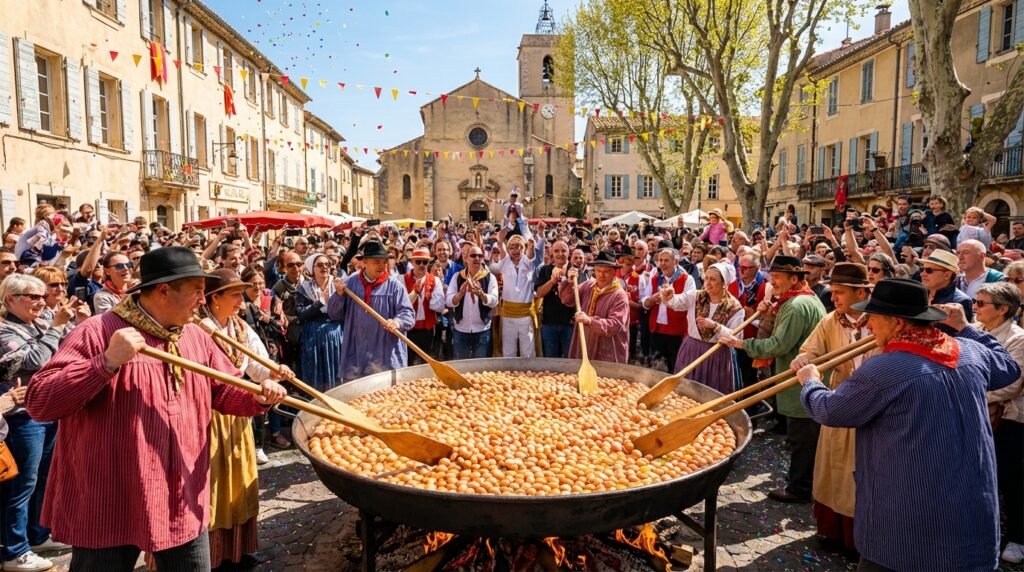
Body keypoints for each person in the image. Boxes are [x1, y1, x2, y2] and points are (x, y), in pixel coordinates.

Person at [24, 247, 288, 572]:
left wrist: (259, 396)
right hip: (110, 499)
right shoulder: (98, 332)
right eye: (195, 291)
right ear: (163, 290)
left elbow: (224, 389)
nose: (202, 300)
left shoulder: (195, 336)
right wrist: (104, 363)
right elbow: (40, 401)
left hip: (179, 497)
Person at [795, 279, 1019, 572]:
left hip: (906, 523)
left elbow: (831, 411)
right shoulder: (968, 350)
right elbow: (1008, 368)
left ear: (897, 323)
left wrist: (810, 382)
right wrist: (965, 328)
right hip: (970, 511)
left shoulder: (886, 368)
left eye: (873, 318)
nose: (870, 326)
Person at [197, 269, 292, 567]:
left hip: (239, 412)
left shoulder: (239, 328)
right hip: (209, 416)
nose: (242, 300)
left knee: (238, 479)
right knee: (212, 486)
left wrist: (276, 373)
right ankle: (208, 555)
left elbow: (258, 364)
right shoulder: (200, 330)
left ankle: (234, 551)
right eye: (234, 295)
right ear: (214, 299)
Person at [720, 255, 827, 503]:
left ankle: (799, 489)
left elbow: (777, 345)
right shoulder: (802, 299)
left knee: (802, 440)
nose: (773, 282)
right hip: (802, 378)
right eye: (772, 277)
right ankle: (804, 484)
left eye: (778, 277)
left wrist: (740, 343)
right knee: (805, 439)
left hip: (798, 382)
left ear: (794, 279)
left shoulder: (796, 306)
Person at [789, 263, 877, 554]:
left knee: (859, 474)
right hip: (839, 403)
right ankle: (831, 531)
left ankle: (859, 539)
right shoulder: (831, 320)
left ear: (862, 292)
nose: (834, 297)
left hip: (872, 411)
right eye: (833, 292)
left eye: (840, 292)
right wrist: (803, 362)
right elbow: (810, 350)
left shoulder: (880, 322)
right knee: (832, 469)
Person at [0, 275, 73, 572]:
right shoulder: (4, 329)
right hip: (21, 420)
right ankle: (13, 551)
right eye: (33, 296)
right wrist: (56, 328)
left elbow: (66, 351)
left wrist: (66, 325)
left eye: (43, 296)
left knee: (43, 479)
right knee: (20, 486)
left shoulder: (41, 323)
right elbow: (36, 359)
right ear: (10, 299)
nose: (42, 301)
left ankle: (36, 534)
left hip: (47, 411)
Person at [971, 282, 1024, 564]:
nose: (975, 308)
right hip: (980, 413)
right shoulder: (975, 330)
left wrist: (972, 392)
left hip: (1010, 420)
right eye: (975, 302)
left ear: (1003, 309)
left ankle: (1018, 537)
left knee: (1010, 478)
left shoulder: (1018, 339)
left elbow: (1013, 384)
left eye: (981, 304)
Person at [327, 241, 415, 381]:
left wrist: (397, 322)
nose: (382, 266)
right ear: (365, 261)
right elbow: (334, 314)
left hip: (385, 353)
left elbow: (408, 314)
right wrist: (339, 295)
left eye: (384, 262)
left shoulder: (394, 286)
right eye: (376, 262)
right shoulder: (350, 284)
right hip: (357, 353)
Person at [662, 262, 745, 393]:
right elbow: (678, 302)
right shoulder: (696, 296)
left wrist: (716, 326)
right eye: (706, 278)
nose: (707, 283)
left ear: (724, 283)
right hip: (692, 349)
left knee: (710, 392)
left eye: (713, 279)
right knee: (685, 391)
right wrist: (669, 297)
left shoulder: (735, 307)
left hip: (716, 354)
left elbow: (737, 336)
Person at [558, 251, 630, 363]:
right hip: (584, 344)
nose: (601, 275)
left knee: (606, 380)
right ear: (594, 271)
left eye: (606, 272)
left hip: (607, 351)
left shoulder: (620, 296)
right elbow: (566, 300)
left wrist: (589, 320)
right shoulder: (588, 286)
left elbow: (614, 326)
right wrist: (570, 282)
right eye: (598, 271)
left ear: (614, 273)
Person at [640, 244, 696, 372]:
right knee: (656, 367)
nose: (662, 263)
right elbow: (644, 299)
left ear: (675, 262)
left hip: (677, 332)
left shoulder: (687, 278)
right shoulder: (655, 278)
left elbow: (689, 300)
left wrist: (670, 298)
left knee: (676, 367)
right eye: (660, 260)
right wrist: (651, 300)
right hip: (657, 331)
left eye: (666, 260)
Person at [490, 228, 545, 358]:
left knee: (528, 353)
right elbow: (500, 238)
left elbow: (531, 253)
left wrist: (531, 242)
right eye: (512, 247)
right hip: (508, 314)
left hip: (525, 315)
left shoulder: (528, 262)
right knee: (508, 353)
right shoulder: (504, 262)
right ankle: (509, 378)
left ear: (523, 248)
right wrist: (509, 225)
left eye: (519, 247)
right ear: (508, 249)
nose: (515, 250)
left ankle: (528, 377)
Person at [295, 253, 345, 390]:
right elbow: (301, 314)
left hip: (335, 335)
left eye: (327, 264)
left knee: (335, 370)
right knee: (315, 373)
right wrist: (320, 302)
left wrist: (339, 296)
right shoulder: (303, 288)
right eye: (320, 265)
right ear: (312, 269)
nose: (324, 267)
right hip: (313, 336)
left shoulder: (338, 285)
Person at [446, 245, 499, 359]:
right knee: (461, 365)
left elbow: (494, 300)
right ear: (466, 258)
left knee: (480, 367)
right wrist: (460, 294)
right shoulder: (457, 276)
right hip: (461, 328)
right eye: (473, 255)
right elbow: (449, 301)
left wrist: (481, 294)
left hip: (482, 329)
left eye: (480, 256)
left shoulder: (490, 277)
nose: (477, 258)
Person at [730, 253, 768, 391]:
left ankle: (750, 406)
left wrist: (754, 317)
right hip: (733, 336)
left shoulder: (765, 288)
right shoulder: (733, 284)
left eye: (745, 267)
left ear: (756, 268)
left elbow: (770, 321)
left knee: (749, 377)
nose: (741, 270)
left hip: (752, 340)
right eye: (739, 267)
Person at [403, 247, 445, 364]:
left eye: (425, 262)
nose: (421, 265)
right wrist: (414, 294)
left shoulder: (435, 280)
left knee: (427, 362)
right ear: (412, 262)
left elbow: (440, 306)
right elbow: (401, 306)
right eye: (418, 262)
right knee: (408, 361)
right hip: (408, 328)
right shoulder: (402, 279)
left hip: (428, 329)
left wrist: (427, 296)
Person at [535, 240, 577, 358]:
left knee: (570, 360)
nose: (560, 254)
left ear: (569, 253)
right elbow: (539, 293)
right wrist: (552, 281)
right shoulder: (545, 270)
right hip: (550, 323)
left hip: (570, 324)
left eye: (563, 251)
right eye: (556, 251)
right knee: (550, 361)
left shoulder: (575, 271)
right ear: (551, 253)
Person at [919, 249, 974, 325]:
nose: (922, 274)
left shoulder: (961, 302)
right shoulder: (918, 294)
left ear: (947, 275)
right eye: (922, 269)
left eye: (929, 270)